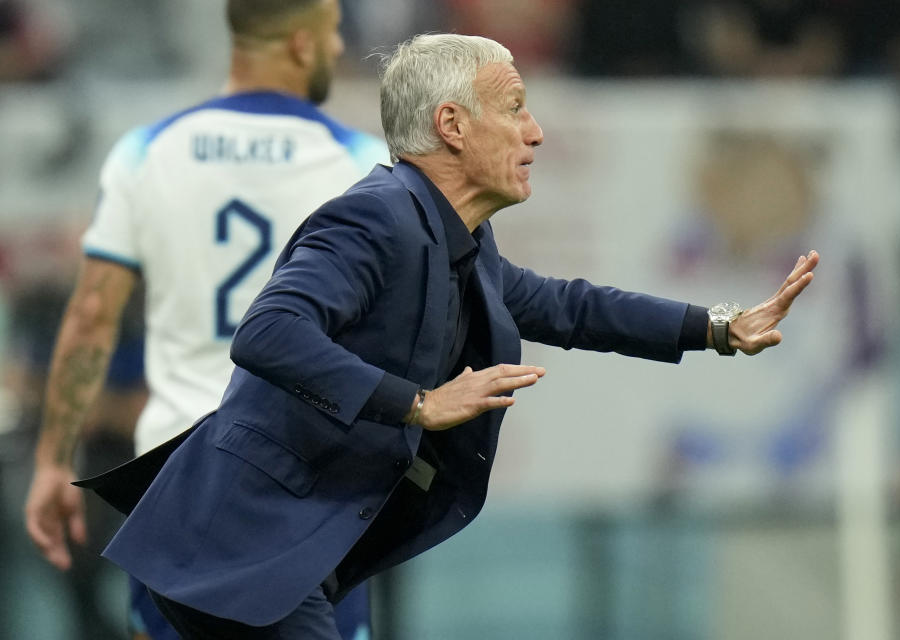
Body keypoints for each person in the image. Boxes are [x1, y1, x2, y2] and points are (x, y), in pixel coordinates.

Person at [84, 33, 819, 639]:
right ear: (452, 125)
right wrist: (417, 404)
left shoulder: (459, 239)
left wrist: (719, 328)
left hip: (292, 552)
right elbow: (269, 331)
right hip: (238, 546)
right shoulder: (375, 218)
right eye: (516, 108)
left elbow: (573, 307)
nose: (535, 131)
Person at [22, 1, 386, 639]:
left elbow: (90, 316)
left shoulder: (149, 151)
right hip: (306, 490)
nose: (335, 51)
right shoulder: (362, 164)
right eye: (331, 35)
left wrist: (54, 462)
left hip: (176, 483)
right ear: (301, 43)